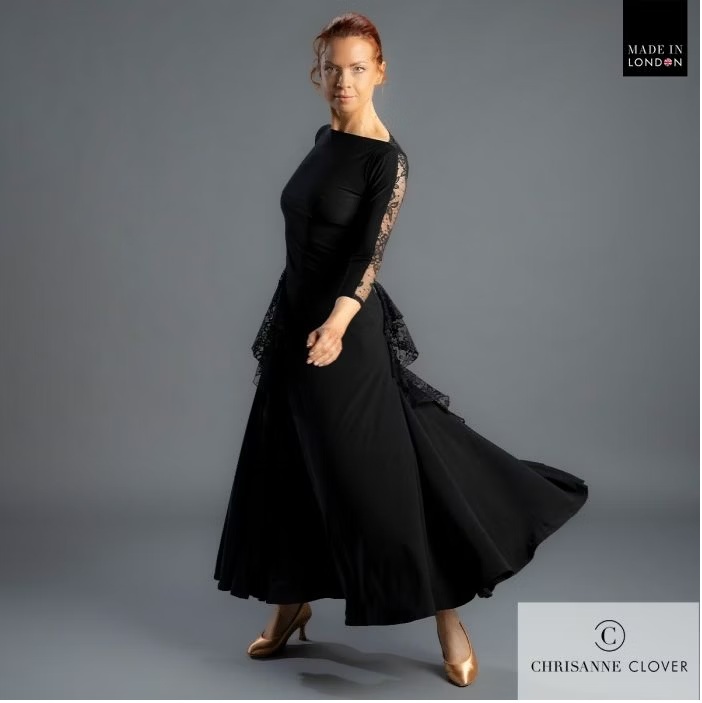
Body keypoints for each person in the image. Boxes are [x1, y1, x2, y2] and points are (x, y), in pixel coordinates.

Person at [214, 12, 589, 688]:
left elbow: (367, 255)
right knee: (288, 464)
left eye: (357, 68)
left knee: (376, 482)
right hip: (293, 321)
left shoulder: (386, 160)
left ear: (380, 72)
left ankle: (448, 616)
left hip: (344, 332)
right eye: (332, 68)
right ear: (317, 73)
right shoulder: (323, 140)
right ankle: (291, 603)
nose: (343, 80)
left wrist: (336, 323)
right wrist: (302, 320)